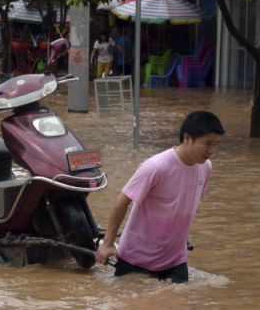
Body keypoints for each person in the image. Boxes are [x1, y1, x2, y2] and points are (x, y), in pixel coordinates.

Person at [96, 111, 225, 283]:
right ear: (187, 138)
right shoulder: (155, 167)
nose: (211, 151)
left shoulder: (206, 167)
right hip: (136, 259)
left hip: (175, 260)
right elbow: (122, 201)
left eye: (215, 145)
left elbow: (185, 205)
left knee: (181, 300)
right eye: (207, 144)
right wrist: (107, 244)